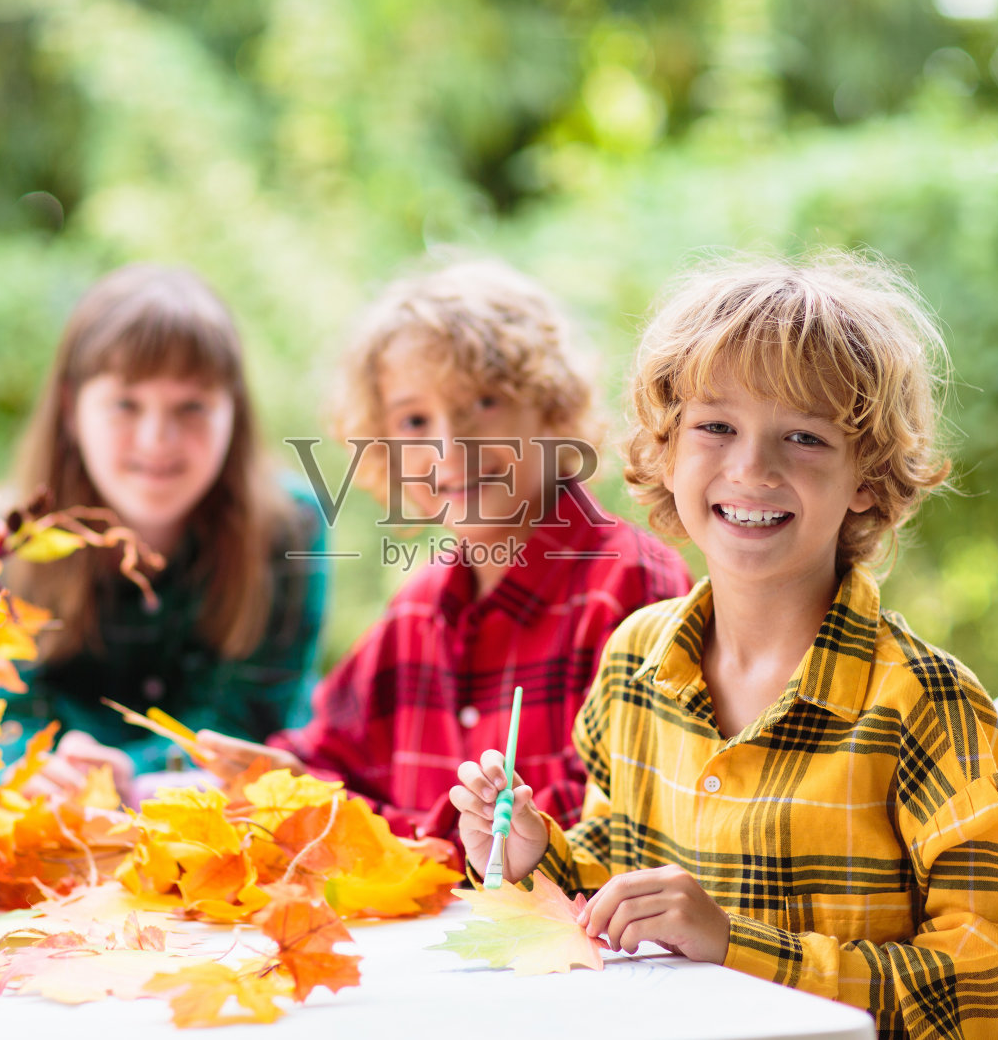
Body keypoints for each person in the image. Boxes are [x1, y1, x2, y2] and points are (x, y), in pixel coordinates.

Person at [451, 253, 998, 1035]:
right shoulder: (634, 662)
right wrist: (530, 857)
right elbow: (613, 881)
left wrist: (737, 944)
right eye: (716, 427)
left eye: (804, 437)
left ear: (866, 476)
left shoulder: (923, 703)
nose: (753, 466)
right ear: (667, 452)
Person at [194, 259, 690, 841]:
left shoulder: (631, 586)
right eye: (413, 420)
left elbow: (609, 826)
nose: (450, 448)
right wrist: (270, 780)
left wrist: (388, 835)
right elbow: (324, 759)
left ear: (553, 409)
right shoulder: (417, 611)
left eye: (483, 402)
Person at [0, 263, 329, 804]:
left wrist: (128, 776)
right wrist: (36, 768)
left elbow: (253, 718)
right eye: (125, 405)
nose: (157, 439)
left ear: (234, 411)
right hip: (48, 828)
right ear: (71, 408)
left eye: (192, 406)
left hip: (233, 826)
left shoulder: (290, 529)